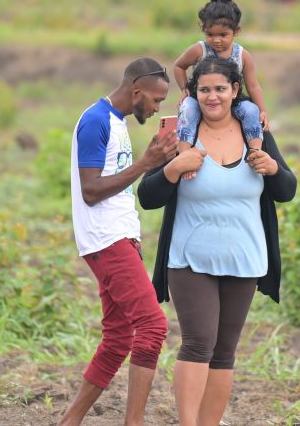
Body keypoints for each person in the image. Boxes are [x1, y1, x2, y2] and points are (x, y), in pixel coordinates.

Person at [137, 56, 296, 426]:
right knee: (198, 343)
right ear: (194, 93)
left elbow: (286, 190)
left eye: (220, 89)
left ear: (235, 91)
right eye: (204, 89)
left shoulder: (257, 134)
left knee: (224, 352)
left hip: (244, 258)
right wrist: (174, 168)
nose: (212, 97)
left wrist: (273, 169)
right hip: (190, 258)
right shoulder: (181, 135)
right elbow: (148, 196)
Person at [59, 57, 178, 426]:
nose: (157, 107)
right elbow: (92, 191)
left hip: (119, 238)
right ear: (136, 90)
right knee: (153, 327)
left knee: (118, 338)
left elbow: (116, 181)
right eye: (156, 100)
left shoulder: (116, 122)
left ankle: (69, 421)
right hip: (105, 239)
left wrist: (156, 161)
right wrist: (146, 163)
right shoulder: (96, 121)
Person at [174, 0, 269, 179]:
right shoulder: (199, 50)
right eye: (210, 34)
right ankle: (183, 155)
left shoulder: (242, 55)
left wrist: (263, 109)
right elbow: (179, 66)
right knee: (188, 109)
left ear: (236, 32)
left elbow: (253, 85)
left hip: (232, 102)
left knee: (250, 110)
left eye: (223, 35)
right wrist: (185, 89)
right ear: (203, 30)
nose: (216, 40)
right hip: (200, 100)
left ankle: (255, 151)